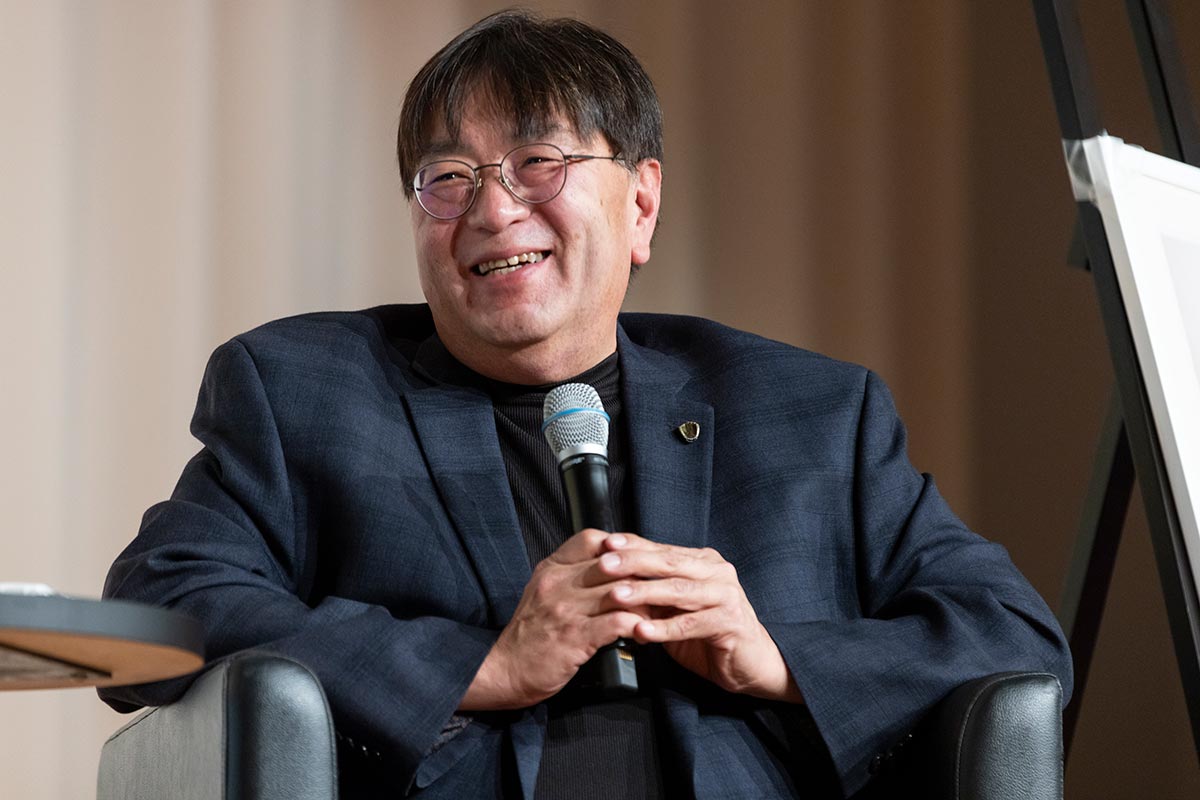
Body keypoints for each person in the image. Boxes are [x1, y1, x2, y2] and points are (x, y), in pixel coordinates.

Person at [100, 10, 1072, 799]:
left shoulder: (813, 410)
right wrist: (480, 665)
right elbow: (155, 608)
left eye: (539, 163)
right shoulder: (307, 390)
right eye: (448, 179)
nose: (492, 210)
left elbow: (1014, 633)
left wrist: (773, 655)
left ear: (641, 203)